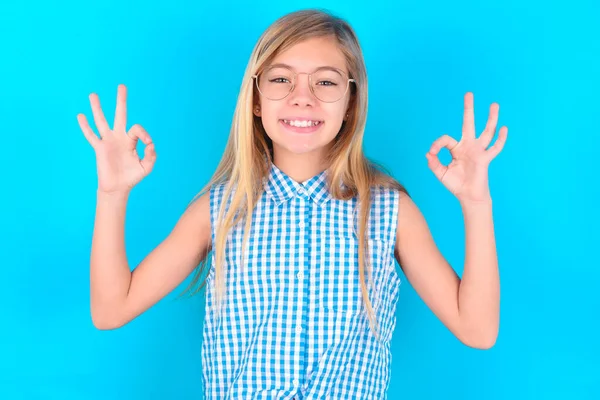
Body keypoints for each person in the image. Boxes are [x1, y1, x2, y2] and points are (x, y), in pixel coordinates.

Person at [77, 8, 508, 400]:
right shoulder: (220, 210)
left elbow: (478, 329)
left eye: (325, 81)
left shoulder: (388, 211)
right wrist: (112, 195)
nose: (303, 96)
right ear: (258, 98)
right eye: (281, 79)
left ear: (351, 101)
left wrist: (476, 202)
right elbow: (112, 308)